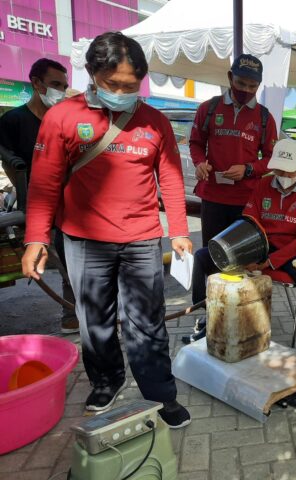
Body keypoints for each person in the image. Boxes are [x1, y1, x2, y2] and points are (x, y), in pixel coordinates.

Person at [21, 32, 192, 428]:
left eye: (130, 86)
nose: (120, 92)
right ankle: (106, 379)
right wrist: (36, 238)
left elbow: (170, 179)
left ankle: (160, 394)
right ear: (93, 74)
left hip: (141, 239)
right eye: (112, 84)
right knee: (93, 320)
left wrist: (179, 231)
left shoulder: (155, 122)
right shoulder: (62, 117)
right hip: (83, 240)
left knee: (146, 323)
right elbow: (44, 183)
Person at [190, 139, 296, 354]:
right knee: (203, 257)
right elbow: (249, 220)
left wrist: (268, 262)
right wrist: (243, 250)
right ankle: (205, 317)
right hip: (261, 245)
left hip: (295, 251)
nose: (283, 176)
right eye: (278, 170)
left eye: (289, 171)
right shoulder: (263, 184)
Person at [0, 58, 78, 333]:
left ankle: (73, 315)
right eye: (55, 84)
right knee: (55, 257)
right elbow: (10, 162)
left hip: (72, 204)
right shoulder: (13, 120)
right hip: (38, 205)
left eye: (64, 85)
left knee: (74, 261)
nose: (61, 90)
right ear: (36, 83)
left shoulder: (68, 121)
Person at [189, 54, 278, 247]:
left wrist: (248, 169)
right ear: (230, 78)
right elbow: (196, 143)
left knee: (241, 257)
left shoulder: (265, 117)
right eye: (241, 83)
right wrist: (199, 163)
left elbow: (272, 159)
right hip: (212, 196)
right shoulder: (208, 108)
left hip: (246, 200)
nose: (246, 90)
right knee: (212, 253)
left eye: (252, 86)